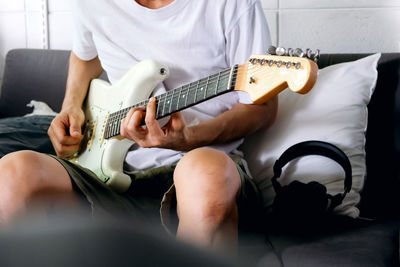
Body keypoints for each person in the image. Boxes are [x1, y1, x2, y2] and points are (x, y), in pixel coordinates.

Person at [0, 0, 277, 252]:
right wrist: (70, 105)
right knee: (11, 173)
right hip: (107, 176)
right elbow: (85, 55)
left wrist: (190, 137)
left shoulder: (233, 4)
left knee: (205, 175)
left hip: (202, 165)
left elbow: (262, 109)